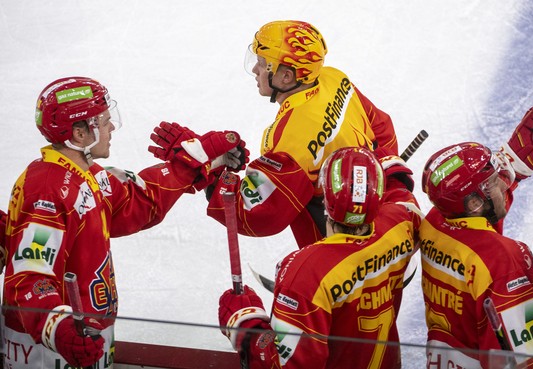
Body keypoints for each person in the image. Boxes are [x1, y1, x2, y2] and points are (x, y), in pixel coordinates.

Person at [1, 76, 247, 368]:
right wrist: (60, 328)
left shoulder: (89, 174)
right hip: (48, 352)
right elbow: (30, 276)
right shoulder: (48, 192)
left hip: (88, 338)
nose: (111, 127)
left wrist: (203, 159)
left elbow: (141, 201)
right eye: (104, 121)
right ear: (80, 133)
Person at [204, 20, 410, 248]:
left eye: (262, 63)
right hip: (381, 218)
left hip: (336, 252)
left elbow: (258, 213)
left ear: (286, 77)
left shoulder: (291, 137)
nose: (255, 70)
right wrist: (378, 183)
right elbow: (381, 126)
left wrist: (214, 175)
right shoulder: (333, 77)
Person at [218, 147, 422, 369]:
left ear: (325, 198)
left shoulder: (306, 273)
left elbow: (283, 365)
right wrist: (375, 170)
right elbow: (402, 194)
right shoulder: (402, 223)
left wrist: (246, 327)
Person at [419, 102, 533, 369]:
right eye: (495, 181)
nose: (503, 182)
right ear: (473, 204)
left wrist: (514, 167)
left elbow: (478, 225)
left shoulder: (434, 223)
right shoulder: (505, 260)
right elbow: (525, 358)